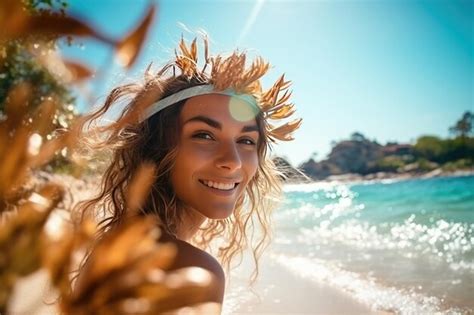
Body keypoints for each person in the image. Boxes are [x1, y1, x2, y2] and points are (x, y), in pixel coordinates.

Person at [75, 38, 301, 306]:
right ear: (156, 148)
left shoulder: (118, 248)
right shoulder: (189, 272)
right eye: (204, 135)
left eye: (246, 140)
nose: (234, 161)